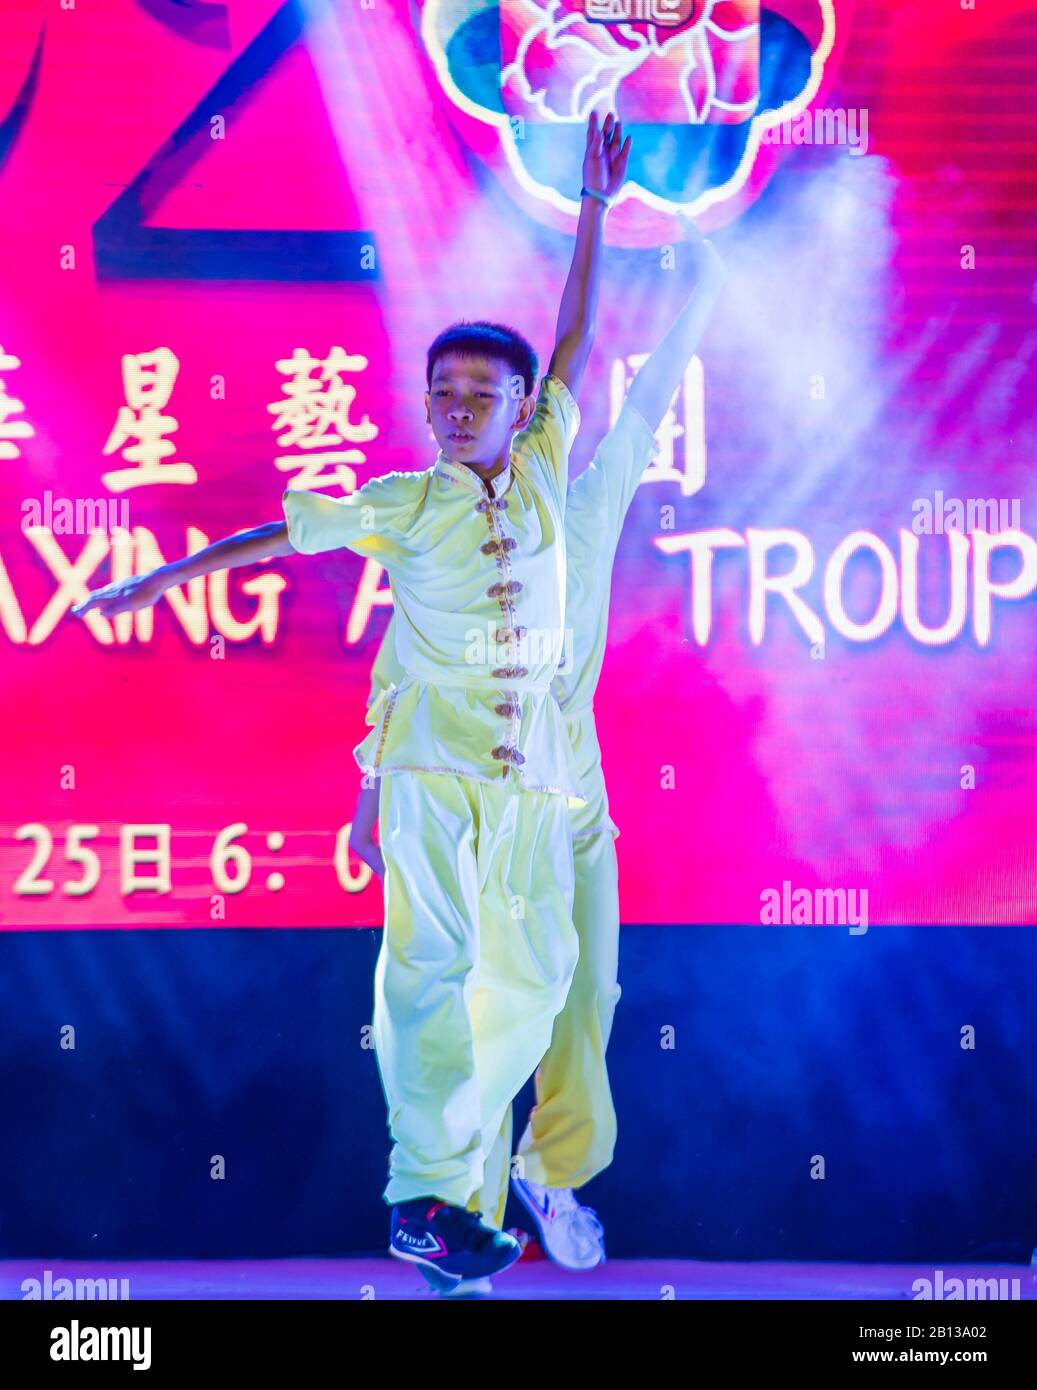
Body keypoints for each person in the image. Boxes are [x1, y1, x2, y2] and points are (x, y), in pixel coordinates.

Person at [71, 113, 632, 1290]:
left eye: (485, 388)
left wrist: (591, 207)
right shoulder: (405, 501)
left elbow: (575, 334)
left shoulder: (536, 464)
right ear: (428, 407)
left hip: (530, 781)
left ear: (523, 405)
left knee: (529, 991)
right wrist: (152, 578)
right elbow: (269, 537)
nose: (461, 403)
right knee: (425, 971)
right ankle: (423, 1199)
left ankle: (466, 1174)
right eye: (444, 390)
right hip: (432, 776)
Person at [349, 220, 728, 1295]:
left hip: (573, 798)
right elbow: (398, 672)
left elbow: (634, 394)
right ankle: (457, 1224)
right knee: (486, 1006)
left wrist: (697, 294)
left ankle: (547, 1172)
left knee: (588, 996)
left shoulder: (576, 499)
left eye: (504, 401)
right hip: (478, 790)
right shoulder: (444, 529)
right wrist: (370, 792)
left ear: (528, 414)